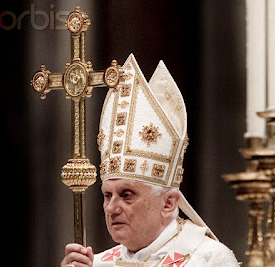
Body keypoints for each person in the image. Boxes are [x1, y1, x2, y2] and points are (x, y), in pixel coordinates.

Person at [61, 54, 239, 267]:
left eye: (126, 195)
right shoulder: (96, 264)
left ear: (169, 203)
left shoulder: (209, 260)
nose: (111, 208)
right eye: (108, 195)